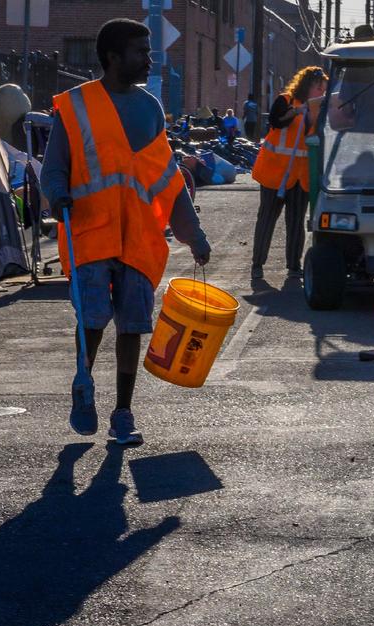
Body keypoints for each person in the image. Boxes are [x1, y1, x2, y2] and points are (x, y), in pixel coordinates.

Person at [40, 18, 211, 445]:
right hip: (91, 237)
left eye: (148, 51)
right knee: (93, 320)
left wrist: (193, 234)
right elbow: (54, 168)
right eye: (140, 52)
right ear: (113, 58)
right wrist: (58, 194)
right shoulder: (77, 106)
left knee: (132, 326)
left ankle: (123, 413)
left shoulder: (150, 108)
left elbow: (165, 178)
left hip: (138, 240)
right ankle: (84, 384)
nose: (148, 60)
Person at [249, 65, 328, 280]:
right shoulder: (285, 100)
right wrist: (294, 113)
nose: (322, 92)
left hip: (301, 176)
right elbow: (276, 121)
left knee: (296, 222)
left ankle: (294, 266)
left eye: (323, 89)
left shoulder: (321, 110)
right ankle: (257, 264)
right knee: (267, 218)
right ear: (307, 86)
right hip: (275, 172)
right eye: (319, 88)